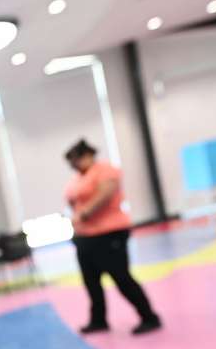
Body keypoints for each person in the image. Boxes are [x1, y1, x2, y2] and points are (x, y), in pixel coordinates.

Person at [63, 139, 162, 335]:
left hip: (109, 234)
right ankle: (98, 320)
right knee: (91, 282)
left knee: (121, 278)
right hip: (84, 236)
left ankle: (149, 316)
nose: (74, 165)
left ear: (88, 155)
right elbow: (72, 202)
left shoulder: (105, 170)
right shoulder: (76, 179)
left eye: (76, 159)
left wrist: (83, 214)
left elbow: (104, 196)